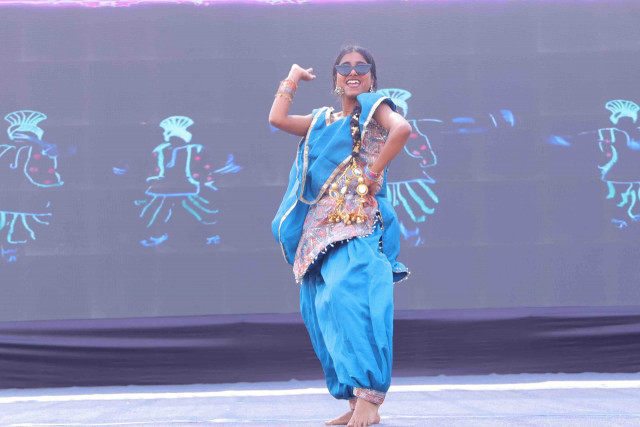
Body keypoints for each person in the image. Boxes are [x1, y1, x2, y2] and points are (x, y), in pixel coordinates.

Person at [269, 45, 411, 427]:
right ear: (335, 77)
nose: (353, 72)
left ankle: (370, 398)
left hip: (355, 223)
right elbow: (277, 119)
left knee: (351, 302)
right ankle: (353, 398)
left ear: (372, 78)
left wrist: (373, 172)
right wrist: (293, 77)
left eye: (361, 67)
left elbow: (402, 129)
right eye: (345, 67)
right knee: (323, 313)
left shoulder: (375, 108)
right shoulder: (321, 120)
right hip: (317, 234)